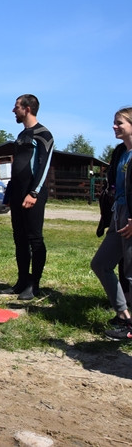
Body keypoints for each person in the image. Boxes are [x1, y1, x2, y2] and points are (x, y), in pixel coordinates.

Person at [0, 94, 54, 301]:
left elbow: (44, 165)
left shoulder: (43, 134)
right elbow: (17, 167)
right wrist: (9, 193)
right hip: (17, 194)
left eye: (16, 107)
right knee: (19, 239)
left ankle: (34, 285)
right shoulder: (22, 135)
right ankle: (22, 280)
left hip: (33, 195)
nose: (14, 111)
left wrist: (34, 193)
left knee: (34, 238)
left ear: (27, 109)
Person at [92, 109, 132, 339]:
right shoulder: (120, 152)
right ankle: (124, 315)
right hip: (119, 213)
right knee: (101, 264)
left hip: (130, 216)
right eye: (114, 123)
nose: (114, 126)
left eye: (119, 123)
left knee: (130, 273)